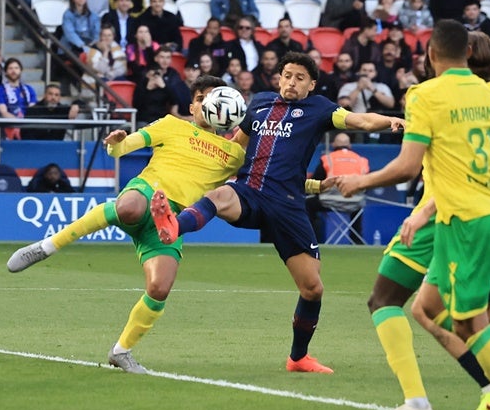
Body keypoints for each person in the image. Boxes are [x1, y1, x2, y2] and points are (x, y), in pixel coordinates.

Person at [333, 22, 490, 410]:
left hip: (465, 218)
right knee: (431, 309)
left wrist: (361, 181)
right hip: (484, 213)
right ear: (466, 54)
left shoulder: (424, 95)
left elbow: (409, 166)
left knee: (467, 319)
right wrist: (486, 134)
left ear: (431, 55)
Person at [152, 52, 404, 373]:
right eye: (287, 75)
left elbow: (361, 120)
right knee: (219, 196)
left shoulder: (320, 109)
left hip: (287, 205)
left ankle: (298, 358)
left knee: (312, 288)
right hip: (250, 192)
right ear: (279, 77)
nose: (291, 82)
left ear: (311, 84)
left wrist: (392, 120)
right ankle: (172, 226)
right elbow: (236, 146)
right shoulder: (258, 103)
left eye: (300, 78)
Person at [8, 76, 255, 372]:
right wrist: (114, 144)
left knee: (160, 288)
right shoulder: (171, 124)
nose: (207, 104)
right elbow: (122, 149)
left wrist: (315, 186)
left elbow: (267, 182)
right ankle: (46, 246)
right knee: (128, 207)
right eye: (201, 98)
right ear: (192, 106)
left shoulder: (234, 155)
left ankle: (121, 351)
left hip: (172, 222)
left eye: (214, 98)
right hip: (148, 193)